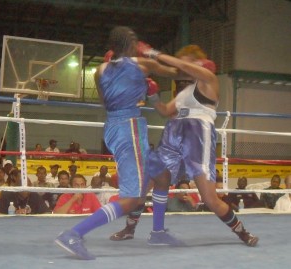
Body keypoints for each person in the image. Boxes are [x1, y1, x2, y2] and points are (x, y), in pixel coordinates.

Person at [111, 44, 258, 247]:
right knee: (145, 184)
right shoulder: (184, 92)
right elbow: (164, 111)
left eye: (187, 60)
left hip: (197, 136)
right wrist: (153, 95)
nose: (183, 65)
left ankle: (242, 232)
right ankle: (129, 228)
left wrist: (153, 53)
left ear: (196, 61)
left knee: (209, 198)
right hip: (173, 134)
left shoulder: (208, 80)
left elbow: (179, 65)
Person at [54, 26, 181, 260]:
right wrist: (152, 53)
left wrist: (133, 88)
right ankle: (73, 234)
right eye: (135, 40)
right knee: (132, 198)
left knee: (162, 176)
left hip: (115, 126)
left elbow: (107, 102)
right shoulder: (142, 64)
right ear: (131, 44)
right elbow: (177, 72)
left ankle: (158, 232)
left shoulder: (100, 70)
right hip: (128, 128)